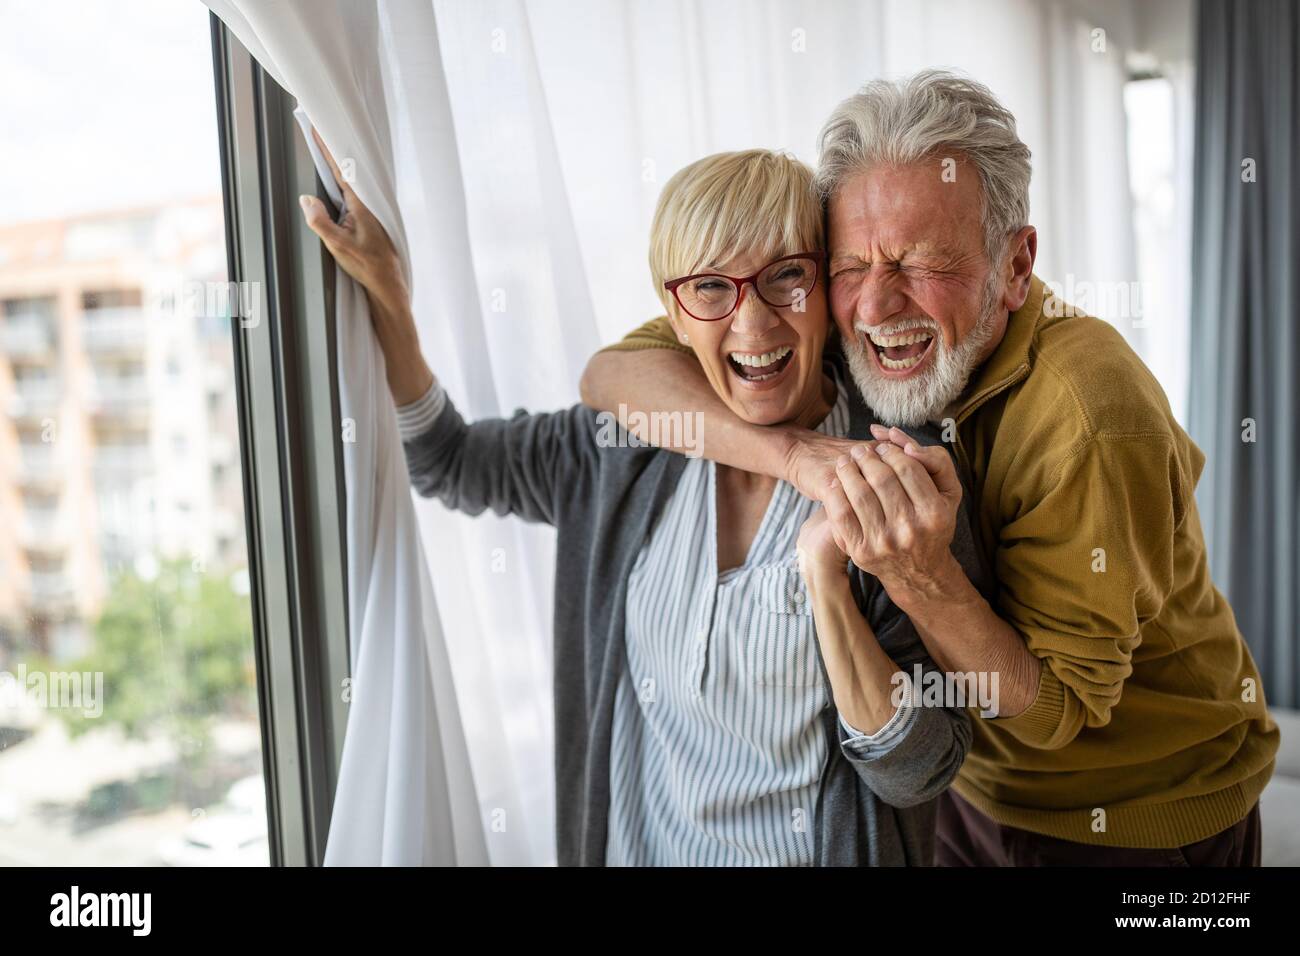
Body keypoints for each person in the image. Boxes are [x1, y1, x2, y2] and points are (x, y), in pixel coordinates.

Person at [580, 70, 1279, 866]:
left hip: (1136, 810)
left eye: (922, 263)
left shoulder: (1089, 413)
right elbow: (614, 374)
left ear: (1015, 266)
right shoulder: (842, 315)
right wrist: (799, 457)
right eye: (853, 266)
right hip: (967, 792)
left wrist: (917, 575)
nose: (877, 308)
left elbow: (1054, 713)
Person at [300, 140, 982, 866]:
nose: (754, 326)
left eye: (786, 276)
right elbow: (450, 461)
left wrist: (827, 586)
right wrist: (390, 300)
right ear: (674, 315)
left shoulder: (894, 470)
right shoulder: (626, 448)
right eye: (712, 288)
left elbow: (920, 771)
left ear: (825, 290)